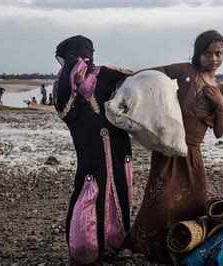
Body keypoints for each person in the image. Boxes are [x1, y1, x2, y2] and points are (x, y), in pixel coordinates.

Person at [123, 30, 223, 263]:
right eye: (208, 53)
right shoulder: (185, 72)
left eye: (218, 53)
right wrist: (127, 86)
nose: (213, 58)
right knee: (161, 201)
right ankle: (150, 248)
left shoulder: (221, 90)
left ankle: (185, 245)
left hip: (193, 152)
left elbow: (220, 132)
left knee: (196, 201)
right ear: (198, 54)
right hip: (169, 148)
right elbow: (152, 75)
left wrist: (220, 107)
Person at [53, 35, 133, 263]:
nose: (81, 62)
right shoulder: (63, 85)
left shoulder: (106, 74)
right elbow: (66, 113)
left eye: (86, 57)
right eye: (75, 58)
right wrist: (77, 86)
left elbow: (136, 81)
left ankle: (115, 241)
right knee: (89, 186)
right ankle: (85, 246)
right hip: (89, 148)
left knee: (119, 186)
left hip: (118, 144)